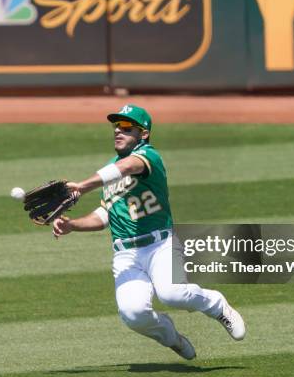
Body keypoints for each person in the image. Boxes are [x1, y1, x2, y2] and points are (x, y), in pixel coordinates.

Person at [53, 104, 245, 360]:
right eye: (116, 127)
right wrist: (72, 225)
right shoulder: (109, 169)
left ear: (143, 134)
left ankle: (216, 304)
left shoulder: (148, 157)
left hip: (160, 245)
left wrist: (82, 187)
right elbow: (104, 215)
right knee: (133, 314)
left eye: (126, 127)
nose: (118, 131)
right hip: (125, 255)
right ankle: (171, 338)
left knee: (173, 293)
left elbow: (127, 168)